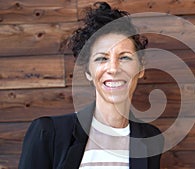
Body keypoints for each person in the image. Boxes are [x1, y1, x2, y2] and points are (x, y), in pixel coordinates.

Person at [18, 2, 164, 169]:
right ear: (88, 72)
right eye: (102, 58)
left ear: (140, 68)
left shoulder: (151, 138)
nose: (113, 69)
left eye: (124, 57)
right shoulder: (47, 133)